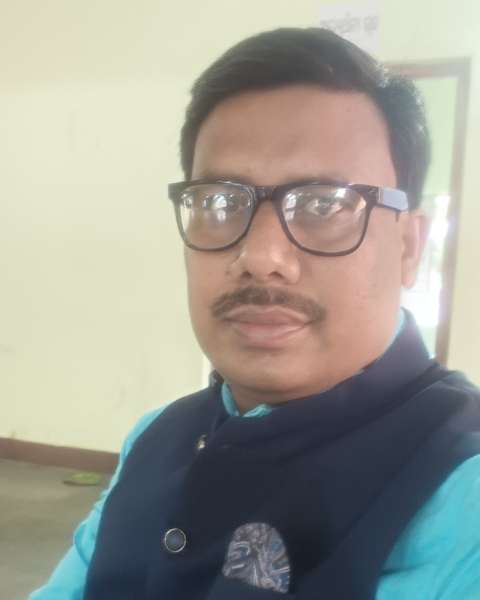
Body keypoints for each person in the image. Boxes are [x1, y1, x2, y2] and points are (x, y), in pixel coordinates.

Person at [30, 28, 480, 600]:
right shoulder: (156, 438)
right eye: (219, 201)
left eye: (325, 204)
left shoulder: (463, 487)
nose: (261, 257)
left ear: (409, 246)